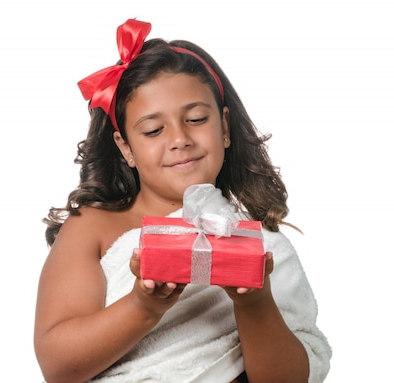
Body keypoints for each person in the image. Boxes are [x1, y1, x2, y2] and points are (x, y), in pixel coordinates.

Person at [34, 18, 332, 383]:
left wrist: (254, 303)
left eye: (195, 118)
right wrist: (143, 307)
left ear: (224, 127)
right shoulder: (93, 228)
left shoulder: (265, 246)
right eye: (154, 130)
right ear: (125, 147)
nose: (179, 139)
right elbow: (58, 365)